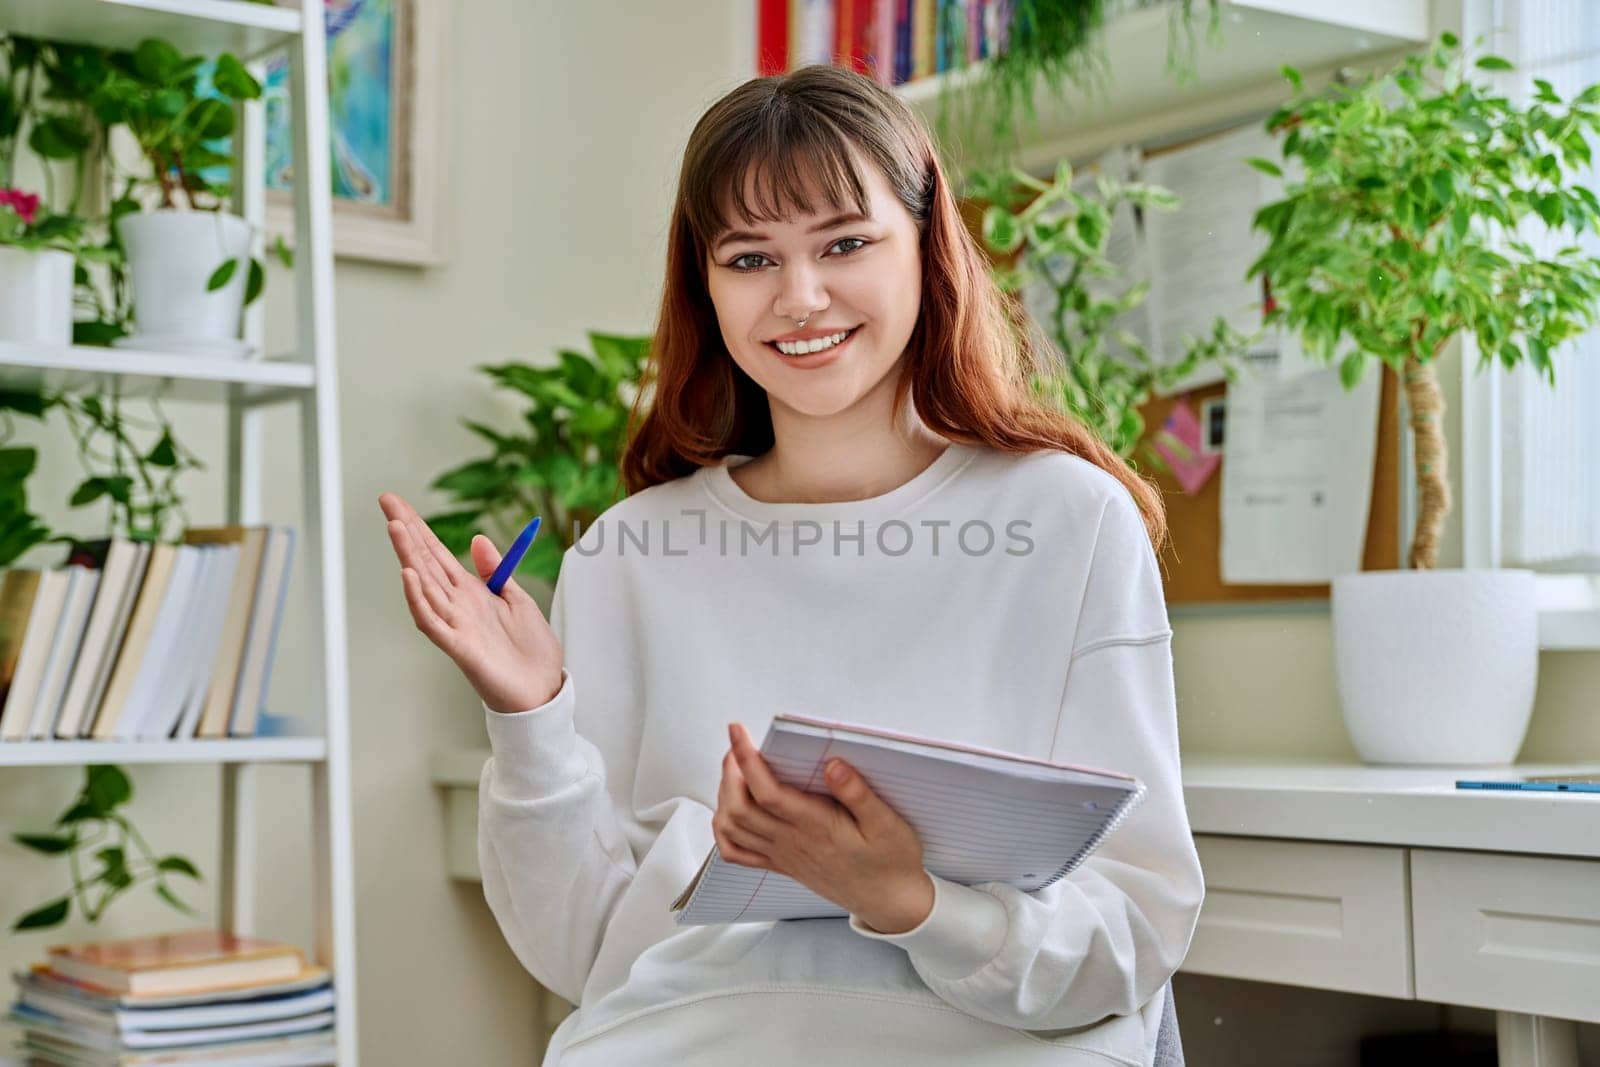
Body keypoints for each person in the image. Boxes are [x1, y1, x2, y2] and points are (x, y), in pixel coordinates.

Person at [378, 64, 1203, 1066]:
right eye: (749, 257)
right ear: (706, 285)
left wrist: (910, 899)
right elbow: (583, 951)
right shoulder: (631, 553)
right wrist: (530, 710)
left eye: (846, 242)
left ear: (925, 244)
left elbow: (1134, 929)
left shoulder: (1066, 518)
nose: (799, 297)